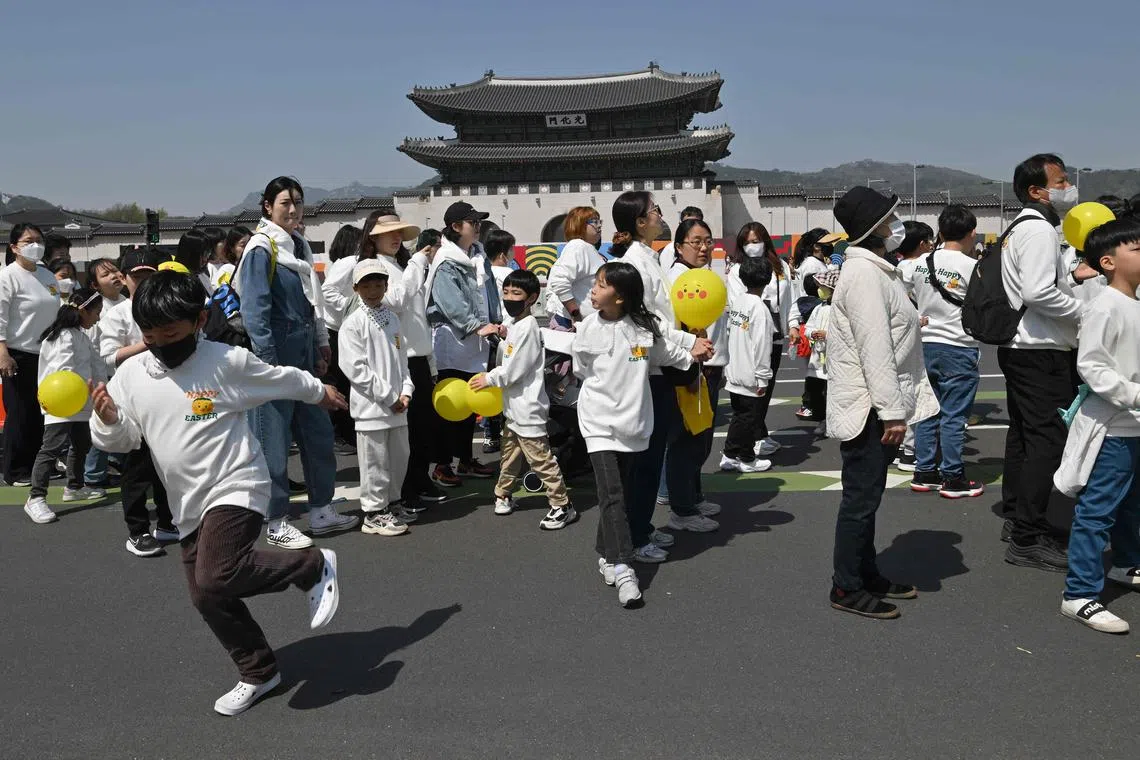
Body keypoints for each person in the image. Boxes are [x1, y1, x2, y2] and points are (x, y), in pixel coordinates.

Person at [89, 271, 344, 716]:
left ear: (200, 320)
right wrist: (109, 419)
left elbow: (281, 378)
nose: (161, 343)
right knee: (207, 595)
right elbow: (125, 439)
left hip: (236, 483)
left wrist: (318, 391)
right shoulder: (131, 374)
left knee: (216, 575)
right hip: (186, 501)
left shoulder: (227, 362)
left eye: (171, 333)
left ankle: (311, 564)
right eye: (150, 336)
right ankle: (260, 671)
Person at [826, 186, 938, 619]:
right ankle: (846, 587)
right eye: (889, 220)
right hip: (870, 409)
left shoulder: (877, 270)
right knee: (860, 501)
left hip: (875, 405)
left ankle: (866, 573)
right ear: (873, 229)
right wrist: (891, 412)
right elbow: (875, 348)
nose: (896, 228)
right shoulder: (865, 275)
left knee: (867, 499)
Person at [234, 176, 358, 549]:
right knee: (272, 439)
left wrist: (321, 346)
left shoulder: (299, 246)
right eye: (285, 202)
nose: (292, 209)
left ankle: (320, 508)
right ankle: (275, 519)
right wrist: (269, 365)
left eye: (298, 202)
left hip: (304, 348)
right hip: (275, 353)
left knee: (317, 430)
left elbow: (314, 302)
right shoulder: (261, 249)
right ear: (267, 207)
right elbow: (254, 313)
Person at [573, 261, 701, 606]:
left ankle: (606, 551)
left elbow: (665, 352)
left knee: (623, 492)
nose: (593, 290)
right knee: (611, 493)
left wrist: (692, 355)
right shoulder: (586, 329)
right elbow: (582, 369)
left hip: (634, 424)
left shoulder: (643, 329)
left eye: (601, 285)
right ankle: (624, 566)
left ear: (621, 296)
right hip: (597, 423)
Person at [609, 191, 713, 564]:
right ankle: (635, 536)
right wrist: (688, 348)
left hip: (660, 367)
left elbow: (660, 322)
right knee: (647, 461)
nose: (659, 213)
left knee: (652, 458)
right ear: (640, 222)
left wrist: (687, 343)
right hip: (651, 372)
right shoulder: (637, 263)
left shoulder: (649, 257)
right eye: (654, 210)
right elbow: (648, 324)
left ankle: (642, 528)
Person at [1052, 219, 1140, 633]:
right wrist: (1135, 396)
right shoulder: (1105, 305)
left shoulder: (1133, 302)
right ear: (1108, 262)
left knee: (1131, 504)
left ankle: (1126, 563)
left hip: (1132, 425)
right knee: (1098, 510)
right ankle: (1080, 593)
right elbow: (1091, 366)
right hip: (1113, 428)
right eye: (1137, 249)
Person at [999, 154, 1086, 571]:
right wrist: (1085, 313)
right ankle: (1028, 536)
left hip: (1024, 347)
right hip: (1039, 349)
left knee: (1025, 435)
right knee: (1047, 440)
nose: (1068, 187)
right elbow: (1037, 292)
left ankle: (1019, 517)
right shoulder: (1039, 230)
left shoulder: (1021, 227)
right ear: (1038, 191)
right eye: (1061, 181)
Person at [470, 269, 577, 530]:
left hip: (527, 408)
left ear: (531, 298)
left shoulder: (528, 327)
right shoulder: (517, 325)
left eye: (516, 293)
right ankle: (502, 493)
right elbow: (513, 347)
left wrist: (489, 379)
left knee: (540, 459)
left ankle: (562, 505)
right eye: (506, 292)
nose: (509, 297)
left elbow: (516, 369)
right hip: (514, 408)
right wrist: (504, 332)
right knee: (509, 455)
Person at [897, 206, 984, 498]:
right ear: (972, 233)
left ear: (941, 232)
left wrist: (913, 313)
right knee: (953, 415)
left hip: (923, 344)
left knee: (926, 411)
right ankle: (953, 477)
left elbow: (896, 287)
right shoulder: (973, 267)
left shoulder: (919, 262)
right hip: (958, 345)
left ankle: (924, 472)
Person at [99, 249, 177, 556]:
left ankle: (168, 522)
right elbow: (108, 357)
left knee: (166, 463)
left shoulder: (167, 308)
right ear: (124, 279)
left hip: (166, 396)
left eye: (149, 276)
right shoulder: (116, 314)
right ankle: (138, 531)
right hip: (130, 399)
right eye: (137, 276)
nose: (143, 282)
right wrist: (145, 344)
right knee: (136, 469)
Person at [338, 259, 419, 535]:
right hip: (372, 408)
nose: (373, 290)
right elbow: (355, 369)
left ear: (386, 286)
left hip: (397, 406)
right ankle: (373, 512)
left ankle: (392, 503)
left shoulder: (392, 318)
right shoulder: (353, 324)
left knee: (399, 458)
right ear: (355, 288)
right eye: (367, 285)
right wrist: (388, 396)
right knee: (375, 461)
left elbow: (402, 361)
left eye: (378, 284)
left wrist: (406, 391)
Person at [426, 201, 501, 487]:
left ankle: (466, 459)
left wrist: (495, 321)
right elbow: (449, 302)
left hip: (476, 340)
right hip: (454, 341)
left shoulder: (476, 255)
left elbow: (489, 294)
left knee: (470, 405)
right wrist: (476, 326)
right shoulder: (446, 261)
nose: (478, 226)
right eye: (473, 222)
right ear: (456, 227)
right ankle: (443, 464)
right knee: (450, 405)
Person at [659, 218, 724, 529]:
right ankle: (681, 510)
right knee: (687, 439)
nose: (703, 247)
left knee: (699, 435)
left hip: (702, 366)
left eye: (707, 241)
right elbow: (671, 329)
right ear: (679, 246)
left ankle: (693, 496)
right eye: (695, 241)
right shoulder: (677, 278)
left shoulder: (702, 275)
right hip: (684, 369)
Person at [23, 288, 106, 523]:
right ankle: (35, 497)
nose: (98, 317)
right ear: (83, 310)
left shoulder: (80, 335)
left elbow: (95, 366)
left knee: (81, 444)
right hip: (62, 401)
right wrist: (71, 395)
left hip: (80, 402)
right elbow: (64, 370)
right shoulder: (63, 336)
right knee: (51, 447)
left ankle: (74, 486)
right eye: (96, 312)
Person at [730, 221, 799, 458]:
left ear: (766, 242)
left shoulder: (780, 267)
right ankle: (751, 440)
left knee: (765, 388)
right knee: (753, 390)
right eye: (747, 242)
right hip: (750, 336)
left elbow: (790, 299)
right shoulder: (736, 270)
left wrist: (792, 325)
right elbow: (737, 304)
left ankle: (759, 434)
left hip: (775, 335)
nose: (752, 246)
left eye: (756, 241)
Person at [1, 224, 61, 487]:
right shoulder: (7, 276)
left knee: (42, 413)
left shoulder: (48, 276)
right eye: (28, 241)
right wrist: (2, 353)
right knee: (19, 412)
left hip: (46, 353)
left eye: (39, 240)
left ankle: (39, 466)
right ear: (14, 247)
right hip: (17, 353)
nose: (35, 245)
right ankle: (15, 469)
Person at [721, 256, 776, 472]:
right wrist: (763, 376)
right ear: (768, 279)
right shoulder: (760, 310)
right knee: (748, 418)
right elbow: (762, 347)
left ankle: (737, 455)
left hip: (735, 369)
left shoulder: (739, 302)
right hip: (750, 374)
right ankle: (740, 456)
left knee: (741, 416)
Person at [889, 221, 935, 471]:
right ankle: (910, 451)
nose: (932, 246)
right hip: (918, 334)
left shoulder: (897, 268)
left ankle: (900, 449)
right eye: (929, 241)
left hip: (900, 338)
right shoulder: (917, 267)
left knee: (902, 390)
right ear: (921, 244)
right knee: (915, 393)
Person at [319, 223, 365, 453]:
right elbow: (327, 291)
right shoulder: (349, 262)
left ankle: (344, 432)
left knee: (343, 382)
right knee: (339, 382)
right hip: (335, 329)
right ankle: (339, 434)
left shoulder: (342, 262)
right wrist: (349, 306)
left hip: (340, 328)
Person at [83, 258, 128, 488]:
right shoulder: (97, 308)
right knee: (100, 421)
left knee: (119, 420)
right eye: (105, 275)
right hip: (103, 375)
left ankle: (114, 461)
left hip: (122, 374)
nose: (113, 276)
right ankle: (93, 475)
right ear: (95, 285)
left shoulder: (127, 301)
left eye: (115, 271)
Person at [480, 228, 517, 453]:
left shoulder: (483, 275)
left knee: (489, 385)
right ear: (504, 254)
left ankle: (489, 433)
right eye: (512, 249)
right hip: (507, 337)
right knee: (507, 385)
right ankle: (507, 433)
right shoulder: (509, 275)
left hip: (487, 337)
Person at [546, 206, 606, 328]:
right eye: (594, 222)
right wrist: (575, 313)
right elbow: (560, 281)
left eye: (599, 221)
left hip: (587, 324)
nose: (599, 226)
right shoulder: (578, 246)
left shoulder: (588, 249)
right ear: (579, 225)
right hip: (573, 325)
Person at [803, 270, 839, 436]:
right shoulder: (819, 308)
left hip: (834, 356)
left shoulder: (840, 308)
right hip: (818, 356)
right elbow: (808, 327)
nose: (820, 290)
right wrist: (812, 334)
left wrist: (827, 335)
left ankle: (834, 421)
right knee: (818, 390)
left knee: (834, 390)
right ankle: (822, 419)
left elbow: (844, 332)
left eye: (823, 287)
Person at [657, 206, 704, 270]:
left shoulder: (704, 248)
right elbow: (667, 276)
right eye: (687, 223)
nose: (690, 227)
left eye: (695, 223)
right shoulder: (671, 250)